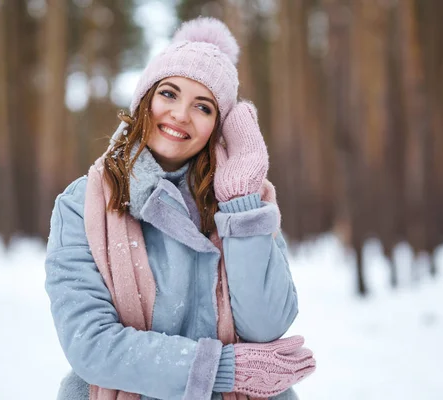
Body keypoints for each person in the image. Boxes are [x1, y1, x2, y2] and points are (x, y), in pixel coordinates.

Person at [45, 17, 316, 400]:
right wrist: (222, 370)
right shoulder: (81, 204)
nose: (180, 114)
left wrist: (239, 200)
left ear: (217, 126)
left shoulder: (246, 202)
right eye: (169, 94)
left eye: (203, 107)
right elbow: (90, 344)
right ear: (145, 99)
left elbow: (265, 325)